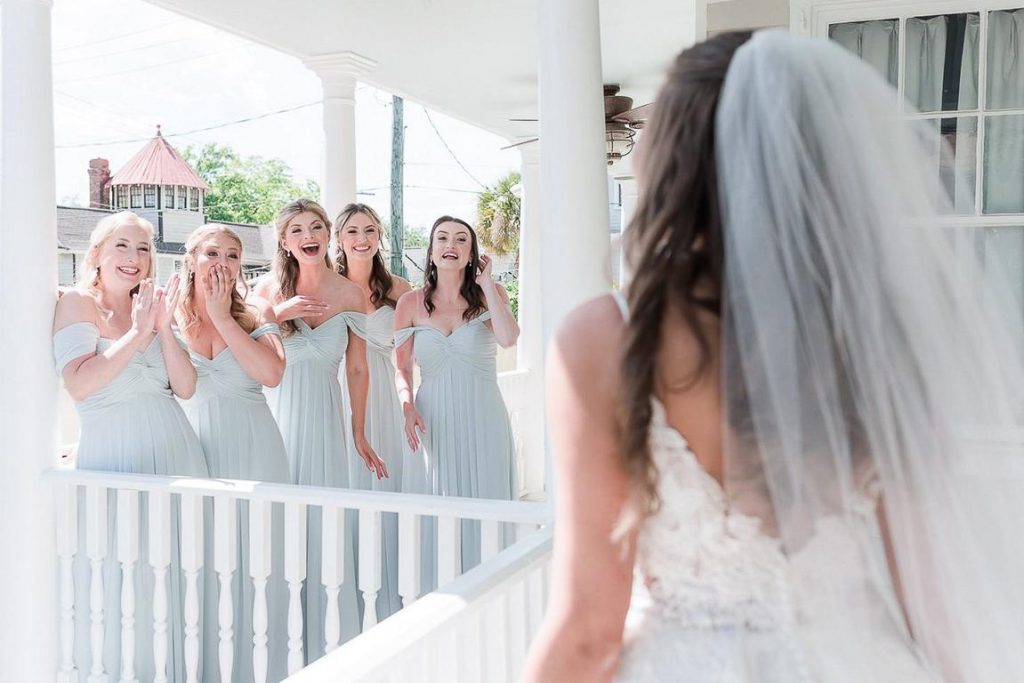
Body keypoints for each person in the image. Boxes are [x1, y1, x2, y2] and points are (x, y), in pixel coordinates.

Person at [524, 30, 1024, 682]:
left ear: (673, 158)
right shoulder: (873, 334)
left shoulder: (605, 337)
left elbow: (589, 632)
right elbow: (933, 605)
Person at [53, 210, 207, 682]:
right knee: (122, 579)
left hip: (177, 455)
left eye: (143, 249)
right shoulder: (79, 303)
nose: (135, 257)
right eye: (123, 245)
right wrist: (139, 333)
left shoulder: (154, 309)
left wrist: (161, 328)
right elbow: (79, 383)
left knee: (178, 577)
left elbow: (185, 388)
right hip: (115, 459)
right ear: (96, 254)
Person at [256, 198, 387, 661]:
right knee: (278, 523)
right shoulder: (264, 290)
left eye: (316, 227)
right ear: (284, 240)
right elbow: (245, 358)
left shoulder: (352, 293)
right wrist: (276, 313)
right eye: (297, 229)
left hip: (327, 419)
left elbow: (357, 369)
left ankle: (330, 637)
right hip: (275, 419)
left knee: (325, 519)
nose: (308, 235)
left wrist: (359, 431)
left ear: (328, 235)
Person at [177, 224, 289, 682]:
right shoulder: (171, 315)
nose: (221, 263)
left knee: (260, 558)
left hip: (255, 446)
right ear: (191, 260)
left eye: (232, 255)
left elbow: (272, 373)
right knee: (207, 562)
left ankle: (266, 667)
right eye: (211, 253)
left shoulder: (255, 309)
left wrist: (224, 317)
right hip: (196, 451)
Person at [394, 216, 519, 587]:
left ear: (471, 253)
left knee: (487, 505)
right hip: (433, 419)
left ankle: (491, 592)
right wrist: (406, 406)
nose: (451, 244)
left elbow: (509, 338)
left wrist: (486, 286)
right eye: (443, 238)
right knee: (439, 506)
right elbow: (401, 368)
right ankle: (439, 592)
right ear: (431, 251)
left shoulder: (491, 293)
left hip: (484, 417)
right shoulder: (410, 304)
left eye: (461, 239)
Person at [334, 203, 412, 620]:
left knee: (392, 484)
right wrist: (356, 426)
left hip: (387, 390)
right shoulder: (330, 286)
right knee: (353, 484)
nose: (361, 239)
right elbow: (351, 364)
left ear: (379, 235)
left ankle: (396, 585)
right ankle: (355, 585)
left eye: (369, 230)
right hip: (345, 396)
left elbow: (420, 344)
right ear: (339, 240)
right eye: (351, 232)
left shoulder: (397, 288)